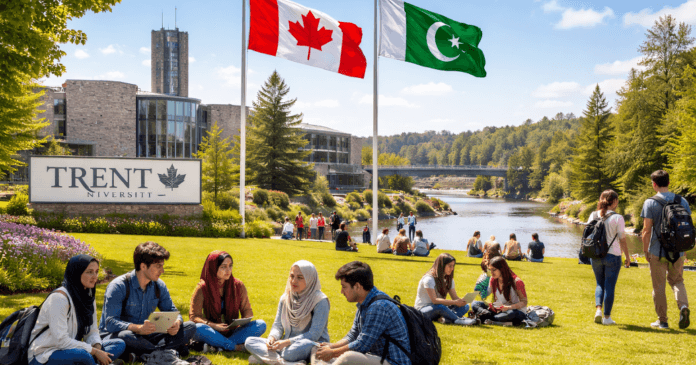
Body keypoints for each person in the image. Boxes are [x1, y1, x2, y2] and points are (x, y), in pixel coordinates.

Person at [99, 242, 196, 360]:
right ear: (143, 266)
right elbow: (110, 323)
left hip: (147, 335)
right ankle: (166, 351)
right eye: (158, 266)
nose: (163, 271)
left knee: (189, 326)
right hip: (121, 335)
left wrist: (177, 323)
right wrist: (138, 328)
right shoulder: (119, 286)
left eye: (162, 266)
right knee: (125, 336)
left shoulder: (158, 285)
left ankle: (145, 354)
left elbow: (172, 310)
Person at [28, 255, 126, 365]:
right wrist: (94, 351)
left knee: (119, 344)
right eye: (89, 272)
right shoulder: (59, 299)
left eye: (96, 271)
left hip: (71, 350)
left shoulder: (88, 297)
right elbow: (61, 341)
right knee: (84, 355)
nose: (95, 277)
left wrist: (99, 349)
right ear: (77, 273)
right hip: (45, 354)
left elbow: (92, 332)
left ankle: (97, 362)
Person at [312, 261, 411, 365]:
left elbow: (363, 344)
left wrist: (332, 352)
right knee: (317, 348)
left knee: (348, 357)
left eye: (344, 287)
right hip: (374, 357)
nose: (341, 291)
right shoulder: (364, 302)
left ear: (357, 286)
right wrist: (330, 347)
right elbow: (353, 335)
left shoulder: (379, 307)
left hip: (392, 362)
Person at [245, 261, 329, 364]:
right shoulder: (286, 298)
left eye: (300, 277)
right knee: (249, 341)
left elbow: (314, 334)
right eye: (292, 276)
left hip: (309, 344)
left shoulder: (320, 301)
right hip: (285, 345)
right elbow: (278, 325)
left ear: (310, 278)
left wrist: (287, 342)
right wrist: (272, 338)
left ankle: (270, 359)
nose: (294, 281)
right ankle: (286, 363)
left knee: (290, 352)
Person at [641, 170, 691, 329]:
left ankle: (662, 321)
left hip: (657, 251)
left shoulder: (650, 202)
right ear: (669, 183)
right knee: (677, 281)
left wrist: (645, 251)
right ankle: (683, 307)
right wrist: (685, 250)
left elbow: (646, 230)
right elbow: (688, 227)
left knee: (659, 286)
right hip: (678, 251)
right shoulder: (682, 201)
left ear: (654, 184)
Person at [189, 251, 266, 352]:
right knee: (197, 328)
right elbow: (194, 316)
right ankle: (234, 347)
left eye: (230, 266)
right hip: (211, 330)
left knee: (261, 324)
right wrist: (214, 326)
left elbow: (247, 309)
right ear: (213, 267)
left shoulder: (238, 285)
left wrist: (245, 319)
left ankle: (218, 346)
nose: (228, 270)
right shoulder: (202, 288)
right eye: (223, 267)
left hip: (233, 331)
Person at [587, 190, 631, 326]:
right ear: (615, 201)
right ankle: (607, 318)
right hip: (613, 255)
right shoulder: (618, 218)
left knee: (599, 284)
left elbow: (587, 234)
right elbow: (622, 239)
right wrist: (627, 257)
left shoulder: (593, 215)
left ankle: (598, 310)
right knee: (610, 286)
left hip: (595, 254)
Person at [414, 253, 474, 325]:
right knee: (440, 307)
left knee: (465, 306)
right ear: (441, 265)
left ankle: (446, 319)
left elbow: (454, 297)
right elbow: (435, 300)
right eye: (450, 266)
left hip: (439, 308)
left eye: (453, 266)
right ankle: (458, 320)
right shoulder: (429, 279)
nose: (452, 269)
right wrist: (455, 302)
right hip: (423, 310)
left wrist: (462, 301)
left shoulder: (449, 279)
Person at [471, 257, 528, 326]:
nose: (491, 273)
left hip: (514, 310)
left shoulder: (517, 282)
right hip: (499, 309)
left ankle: (484, 317)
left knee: (510, 314)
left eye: (493, 270)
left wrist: (508, 307)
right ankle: (486, 315)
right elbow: (486, 293)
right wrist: (480, 287)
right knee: (475, 303)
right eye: (490, 270)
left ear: (502, 269)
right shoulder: (493, 279)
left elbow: (524, 302)